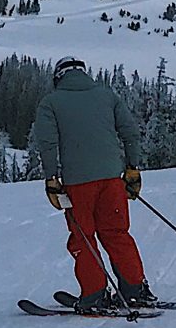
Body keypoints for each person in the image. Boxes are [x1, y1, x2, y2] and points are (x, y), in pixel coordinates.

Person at [32, 56, 155, 312]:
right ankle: (135, 289)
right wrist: (132, 168)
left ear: (58, 77)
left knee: (83, 237)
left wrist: (51, 178)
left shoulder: (51, 102)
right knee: (116, 232)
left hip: (78, 184)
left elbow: (48, 144)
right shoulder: (107, 96)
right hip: (112, 180)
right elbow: (130, 132)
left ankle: (95, 295)